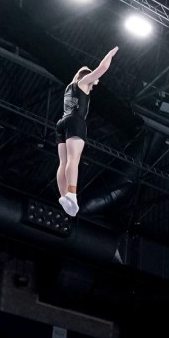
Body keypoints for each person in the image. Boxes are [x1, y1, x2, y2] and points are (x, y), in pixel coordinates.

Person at [53, 46, 119, 217]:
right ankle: (71, 193)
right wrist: (110, 54)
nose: (94, 86)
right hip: (75, 122)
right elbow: (102, 69)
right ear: (87, 78)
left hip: (61, 123)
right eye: (93, 83)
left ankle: (64, 197)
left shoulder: (69, 87)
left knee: (63, 162)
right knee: (73, 159)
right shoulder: (82, 83)